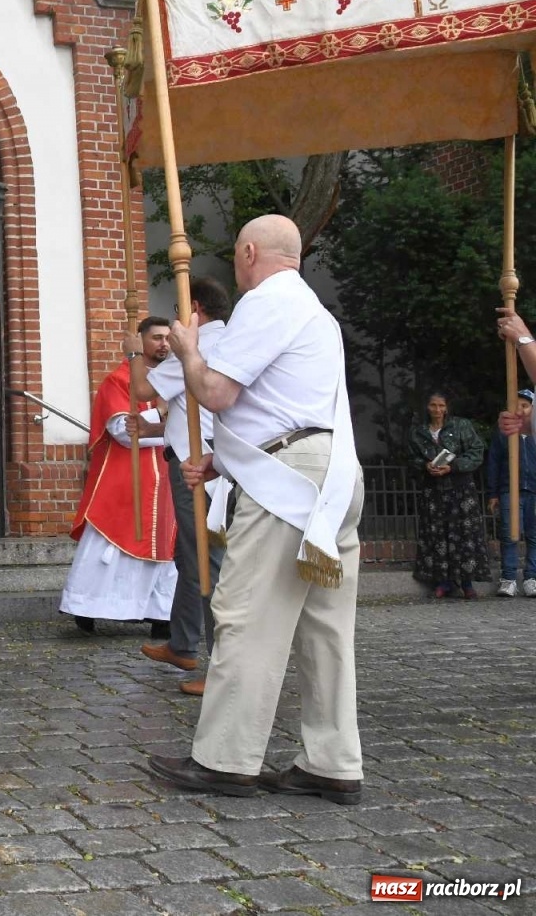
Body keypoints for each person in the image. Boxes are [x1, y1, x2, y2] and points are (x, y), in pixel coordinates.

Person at [149, 214, 365, 806]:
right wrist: (225, 461)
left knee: (245, 616)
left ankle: (226, 760)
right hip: (328, 476)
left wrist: (189, 352)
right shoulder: (313, 311)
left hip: (288, 487)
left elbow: (218, 392)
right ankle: (332, 761)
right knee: (326, 629)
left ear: (248, 252)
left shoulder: (267, 302)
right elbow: (291, 412)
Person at [131, 278, 232, 697]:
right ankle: (183, 643)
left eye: (178, 309)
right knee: (190, 556)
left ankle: (221, 664)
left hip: (198, 464)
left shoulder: (198, 343)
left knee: (207, 560)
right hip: (213, 456)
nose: (174, 320)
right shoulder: (228, 338)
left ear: (196, 308)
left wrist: (134, 351)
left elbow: (141, 389)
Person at [61, 317, 178, 635]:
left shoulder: (175, 380)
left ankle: (161, 615)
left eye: (167, 338)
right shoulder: (119, 380)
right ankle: (87, 607)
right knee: (107, 550)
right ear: (139, 342)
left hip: (166, 481)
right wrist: (168, 418)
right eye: (156, 338)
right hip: (125, 482)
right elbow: (123, 431)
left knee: (168, 551)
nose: (163, 344)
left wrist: (167, 421)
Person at [408, 391, 489, 599]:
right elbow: (411, 458)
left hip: (460, 489)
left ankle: (467, 582)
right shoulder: (418, 432)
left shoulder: (461, 426)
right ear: (427, 407)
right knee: (438, 534)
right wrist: (424, 465)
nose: (437, 410)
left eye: (441, 406)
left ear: (447, 407)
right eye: (433, 405)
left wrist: (453, 467)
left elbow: (477, 451)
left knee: (464, 534)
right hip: (433, 491)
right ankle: (443, 581)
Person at [486, 388, 536, 598]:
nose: (521, 410)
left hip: (534, 491)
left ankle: (531, 578)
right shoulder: (503, 433)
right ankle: (508, 579)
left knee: (534, 536)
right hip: (510, 490)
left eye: (525, 406)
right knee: (510, 535)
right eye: (517, 405)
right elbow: (494, 462)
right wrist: (493, 493)